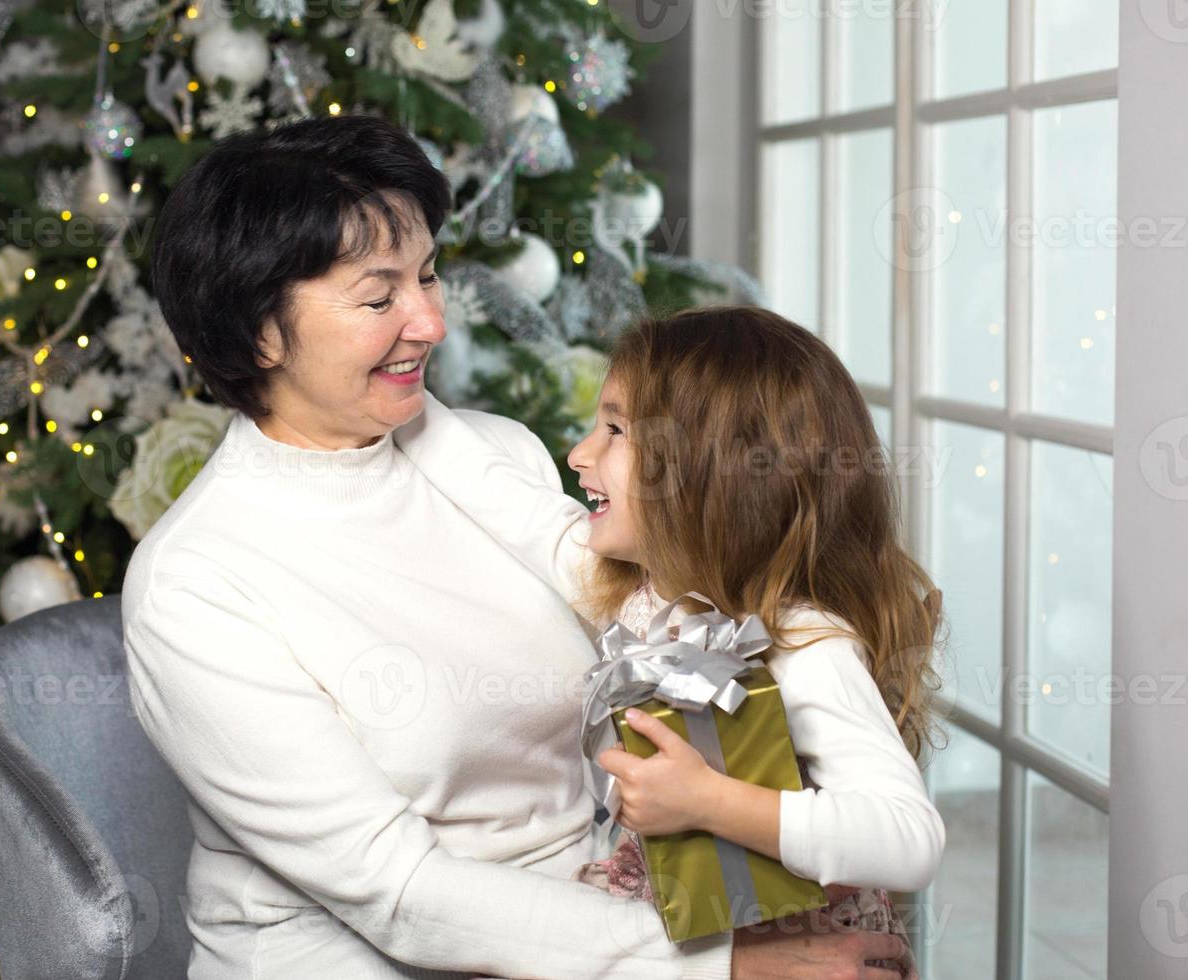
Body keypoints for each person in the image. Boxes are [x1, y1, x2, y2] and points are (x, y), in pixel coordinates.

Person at [125, 112, 911, 978]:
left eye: (429, 277)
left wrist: (760, 844)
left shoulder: (491, 457)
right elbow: (400, 895)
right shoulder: (195, 582)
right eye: (379, 297)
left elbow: (678, 627)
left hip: (593, 916)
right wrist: (718, 967)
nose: (430, 322)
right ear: (259, 333)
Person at [393, 306, 949, 977]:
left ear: (709, 471)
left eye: (616, 430)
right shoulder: (639, 593)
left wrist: (710, 802)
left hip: (803, 958)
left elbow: (909, 840)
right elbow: (511, 503)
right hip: (685, 948)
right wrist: (390, 386)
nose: (579, 454)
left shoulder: (801, 640)